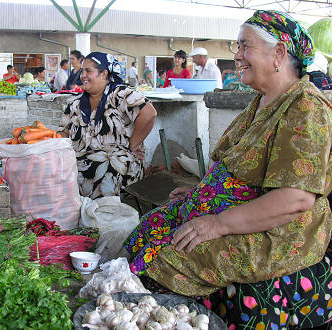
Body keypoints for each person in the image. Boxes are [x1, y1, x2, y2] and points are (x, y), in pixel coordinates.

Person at [124, 10, 332, 329]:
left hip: (278, 231)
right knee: (152, 224)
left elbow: (295, 200)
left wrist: (217, 224)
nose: (236, 56)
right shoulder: (263, 101)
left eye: (244, 46)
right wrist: (201, 193)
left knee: (172, 256)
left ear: (279, 53)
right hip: (237, 211)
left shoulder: (306, 107)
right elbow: (240, 168)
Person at [59, 52, 157, 199]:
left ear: (104, 73)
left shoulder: (120, 94)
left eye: (88, 71)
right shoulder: (76, 103)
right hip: (81, 159)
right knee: (60, 169)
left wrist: (133, 144)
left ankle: (105, 215)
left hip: (117, 161)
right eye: (82, 71)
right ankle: (80, 213)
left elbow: (149, 113)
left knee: (106, 170)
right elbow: (63, 133)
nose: (83, 76)